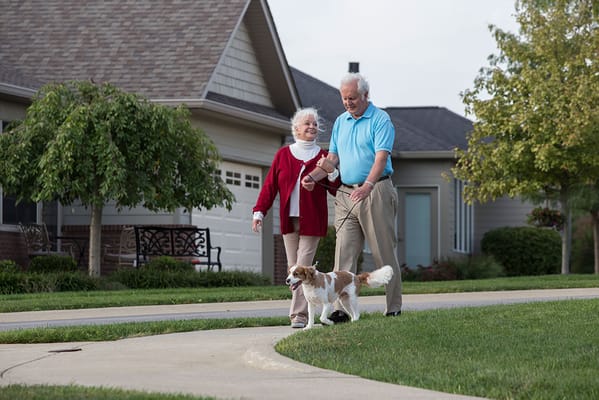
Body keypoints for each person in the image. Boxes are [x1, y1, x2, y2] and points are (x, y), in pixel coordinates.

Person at [302, 73, 402, 319]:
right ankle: (340, 311)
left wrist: (367, 185)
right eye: (344, 98)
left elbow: (381, 157)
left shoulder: (381, 120)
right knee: (344, 252)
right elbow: (333, 158)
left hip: (375, 190)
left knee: (383, 253)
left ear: (366, 95)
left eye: (352, 98)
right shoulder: (341, 122)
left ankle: (393, 308)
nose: (348, 102)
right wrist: (313, 177)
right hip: (346, 192)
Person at [252, 107, 339, 329]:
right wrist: (259, 212)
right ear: (296, 129)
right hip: (289, 220)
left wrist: (332, 172)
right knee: (294, 268)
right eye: (307, 123)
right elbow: (270, 186)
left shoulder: (323, 156)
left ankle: (298, 314)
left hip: (313, 220)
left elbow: (335, 188)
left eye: (314, 123)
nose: (312, 126)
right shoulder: (283, 155)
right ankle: (304, 310)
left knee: (302, 265)